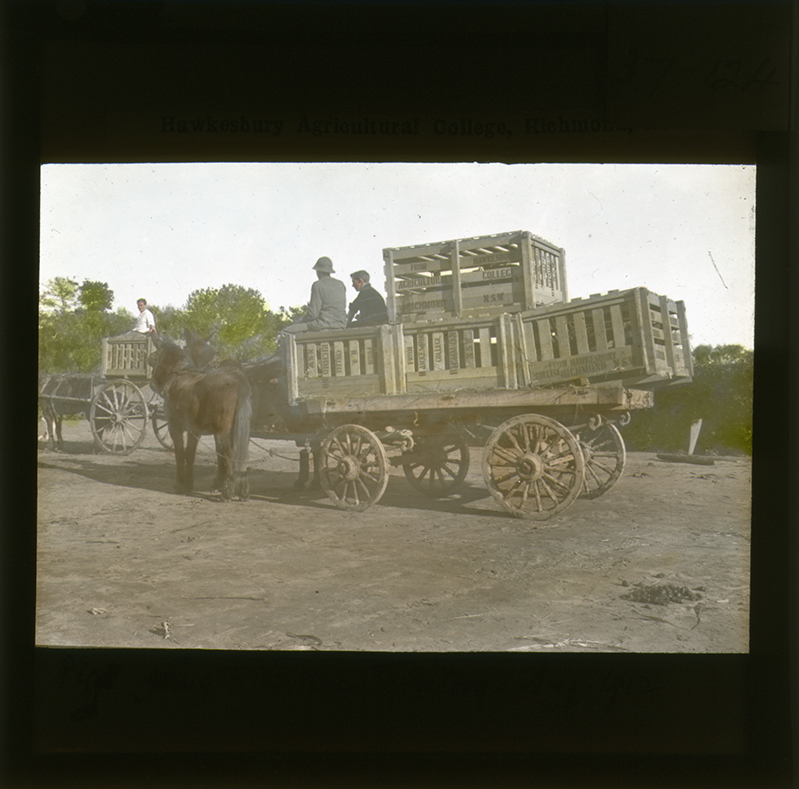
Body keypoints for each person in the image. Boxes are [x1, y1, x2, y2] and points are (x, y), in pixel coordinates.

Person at [281, 257, 347, 334]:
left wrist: (300, 320)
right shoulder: (340, 284)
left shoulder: (317, 285)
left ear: (318, 271)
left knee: (285, 331)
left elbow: (313, 314)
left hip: (322, 325)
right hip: (341, 325)